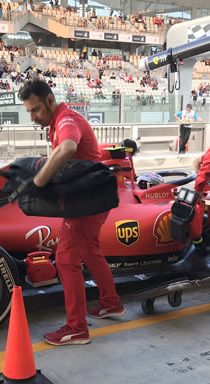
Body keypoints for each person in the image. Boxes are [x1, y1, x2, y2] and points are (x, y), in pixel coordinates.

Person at [18, 79, 125, 346]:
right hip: (89, 198)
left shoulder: (66, 119)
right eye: (29, 112)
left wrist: (38, 183)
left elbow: (68, 149)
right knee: (91, 251)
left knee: (65, 259)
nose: (32, 117)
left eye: (35, 110)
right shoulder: (57, 122)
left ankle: (76, 328)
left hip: (87, 201)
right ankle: (111, 303)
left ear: (50, 101)